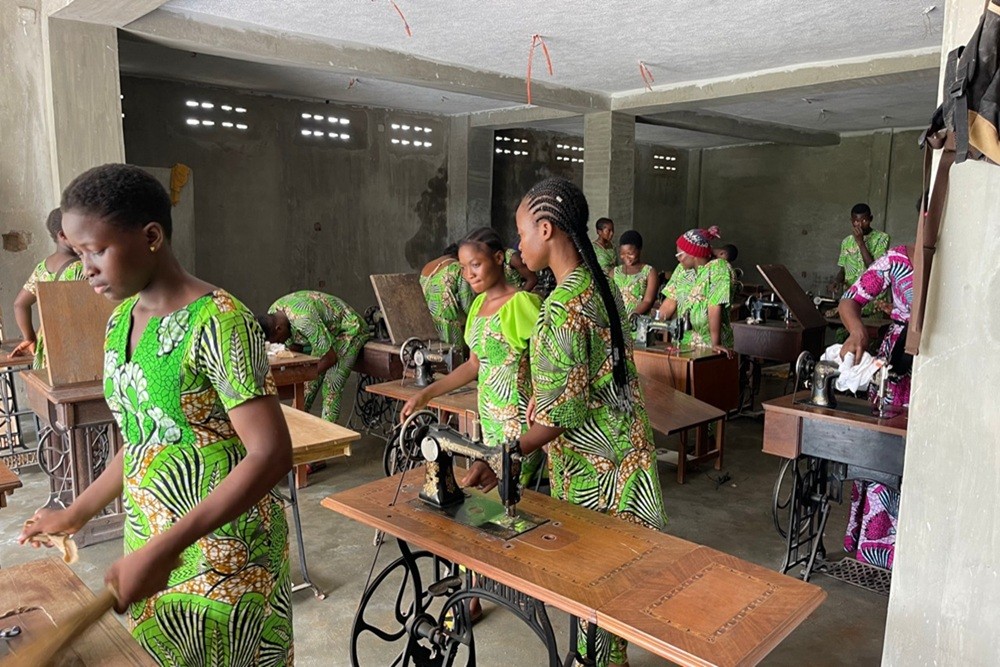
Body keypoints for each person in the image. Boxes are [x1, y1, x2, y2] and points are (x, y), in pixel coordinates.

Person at [19, 164, 293, 665]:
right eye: (79, 254)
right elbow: (144, 441)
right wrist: (76, 513)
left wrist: (168, 549)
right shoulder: (121, 319)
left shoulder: (221, 320)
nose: (86, 269)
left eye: (97, 250)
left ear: (151, 236)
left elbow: (270, 453)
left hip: (225, 553)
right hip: (148, 542)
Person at [464, 178, 666, 667]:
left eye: (520, 233)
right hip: (629, 457)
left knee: (593, 598)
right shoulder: (601, 286)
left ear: (547, 229)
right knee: (610, 595)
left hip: (596, 473)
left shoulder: (561, 310)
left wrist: (502, 457)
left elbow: (560, 417)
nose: (517, 246)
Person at [402, 227, 544, 485]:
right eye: (464, 267)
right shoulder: (478, 306)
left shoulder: (522, 303)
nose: (469, 275)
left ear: (499, 259)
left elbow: (550, 361)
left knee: (518, 500)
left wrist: (541, 396)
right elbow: (473, 365)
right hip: (490, 422)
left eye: (476, 264)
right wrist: (427, 393)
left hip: (521, 422)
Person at [838, 243, 914, 570]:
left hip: (948, 367)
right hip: (900, 368)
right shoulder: (899, 260)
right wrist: (857, 331)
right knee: (885, 454)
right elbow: (850, 299)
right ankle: (878, 549)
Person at [258, 291, 370, 424]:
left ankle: (329, 436)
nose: (280, 344)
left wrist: (304, 375)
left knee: (332, 384)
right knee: (305, 389)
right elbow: (295, 347)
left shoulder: (304, 321)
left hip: (348, 328)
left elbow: (330, 358)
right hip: (324, 336)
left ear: (279, 329)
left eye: (279, 340)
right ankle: (297, 429)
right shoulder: (274, 311)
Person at [8, 207, 86, 368]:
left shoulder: (42, 267)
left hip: (48, 346)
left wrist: (29, 338)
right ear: (62, 235)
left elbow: (19, 304)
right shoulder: (81, 268)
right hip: (76, 348)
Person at [656, 226, 733, 353]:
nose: (678, 258)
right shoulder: (681, 269)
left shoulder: (719, 268)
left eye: (680, 254)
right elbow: (670, 301)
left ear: (694, 254)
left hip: (710, 344)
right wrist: (652, 325)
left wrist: (716, 343)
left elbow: (714, 305)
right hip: (684, 343)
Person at [834, 203, 890, 316]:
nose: (859, 225)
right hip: (852, 301)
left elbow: (874, 268)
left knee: (872, 332)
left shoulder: (882, 238)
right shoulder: (846, 242)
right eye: (856, 221)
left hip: (874, 303)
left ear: (871, 219)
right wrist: (837, 281)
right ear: (851, 221)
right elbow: (843, 270)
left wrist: (860, 242)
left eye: (864, 221)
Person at [420, 243, 474, 344]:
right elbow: (467, 306)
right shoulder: (458, 267)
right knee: (453, 358)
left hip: (427, 326)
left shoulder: (426, 267)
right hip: (447, 328)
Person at [612, 230, 657, 316]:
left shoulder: (649, 272)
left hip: (638, 321)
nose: (626, 257)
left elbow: (648, 301)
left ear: (639, 249)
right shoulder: (615, 272)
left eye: (630, 253)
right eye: (622, 253)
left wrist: (631, 315)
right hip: (617, 321)